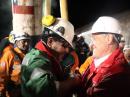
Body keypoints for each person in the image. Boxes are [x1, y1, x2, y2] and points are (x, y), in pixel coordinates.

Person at [21, 15, 81, 97]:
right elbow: (48, 91)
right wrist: (73, 82)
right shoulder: (37, 60)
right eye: (65, 45)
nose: (67, 50)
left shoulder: (46, 56)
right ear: (50, 41)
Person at [79, 16, 130, 97]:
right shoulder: (97, 61)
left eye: (94, 38)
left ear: (108, 39)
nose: (91, 44)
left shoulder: (117, 74)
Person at [0, 31, 31, 97]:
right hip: (11, 93)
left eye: (28, 41)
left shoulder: (24, 53)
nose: (26, 44)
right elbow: (2, 75)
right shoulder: (9, 54)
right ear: (15, 41)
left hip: (21, 91)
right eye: (23, 41)